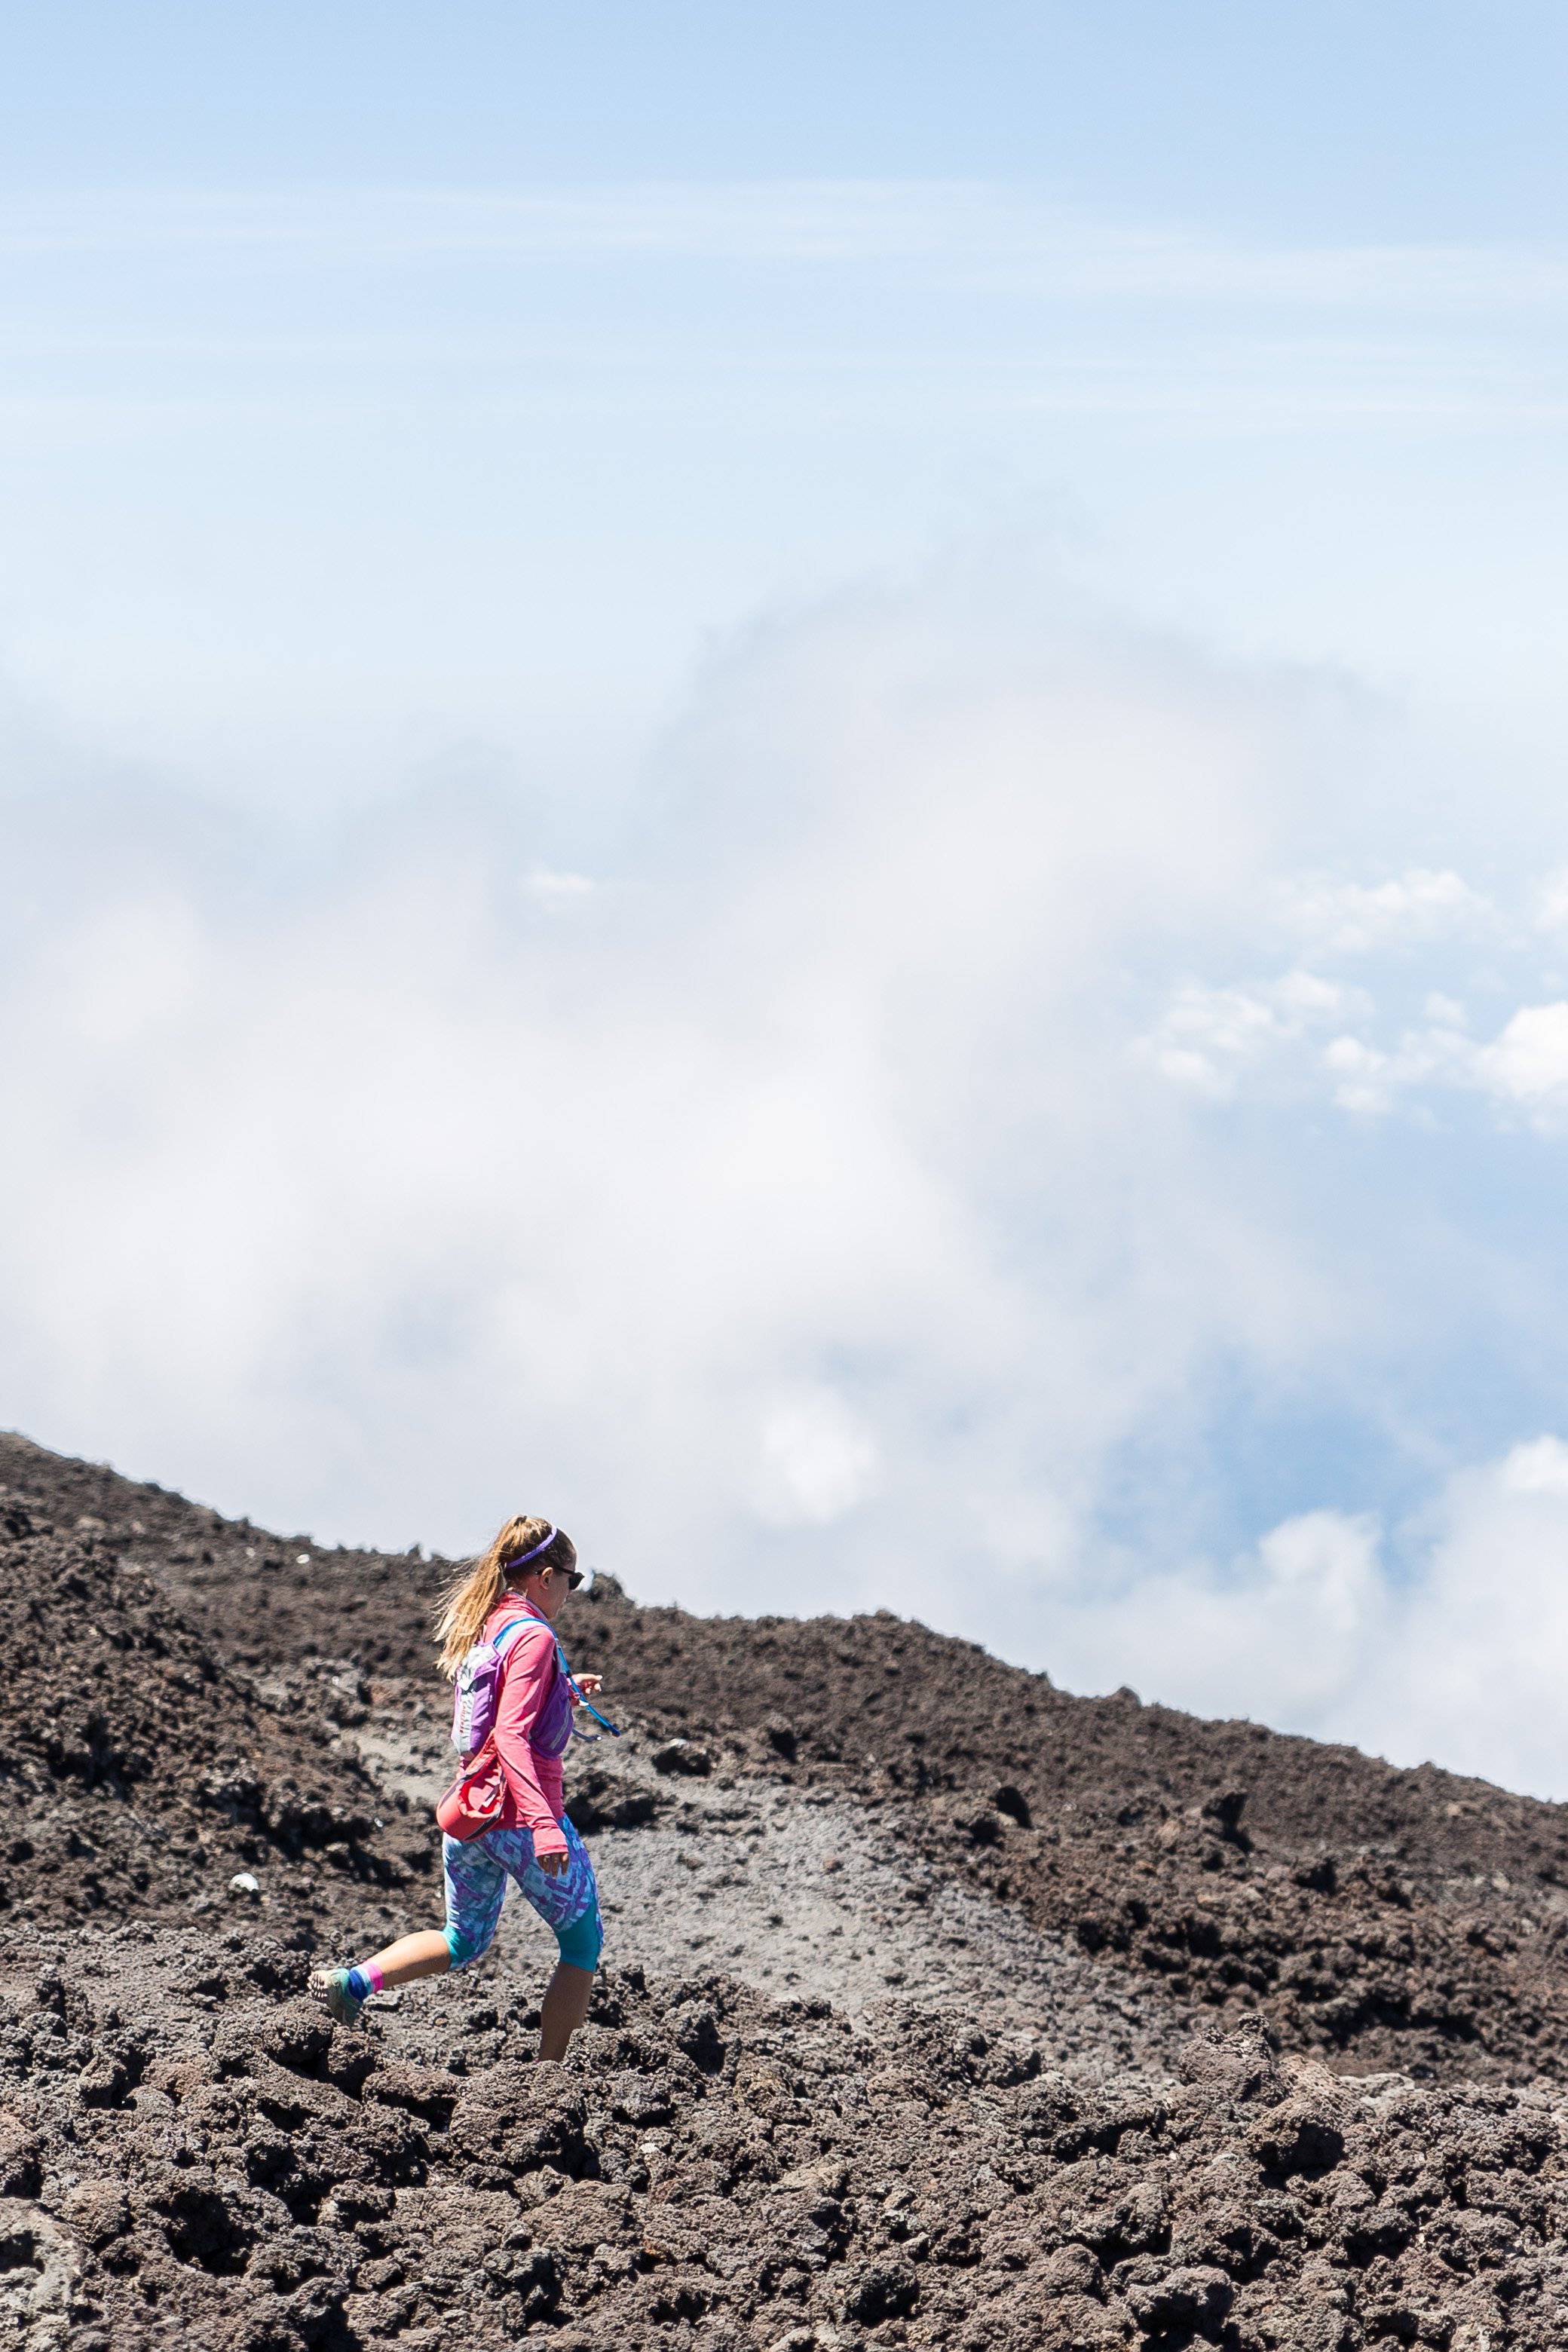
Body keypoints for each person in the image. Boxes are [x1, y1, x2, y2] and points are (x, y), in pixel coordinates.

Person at [309, 1514, 605, 2063]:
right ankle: (549, 2077)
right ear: (545, 1576)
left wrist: (562, 1689)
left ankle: (352, 1984)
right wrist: (545, 1827)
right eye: (573, 1578)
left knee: (461, 1940)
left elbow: (497, 1715)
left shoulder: (492, 1625)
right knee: (583, 1944)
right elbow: (512, 1735)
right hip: (522, 1817)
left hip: (474, 1813)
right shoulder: (536, 1636)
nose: (572, 1589)